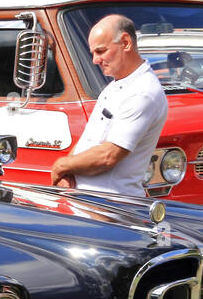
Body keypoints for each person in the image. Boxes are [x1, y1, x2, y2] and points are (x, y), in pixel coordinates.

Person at [49, 14, 168, 196]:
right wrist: (68, 171)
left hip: (111, 206)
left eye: (101, 51)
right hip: (91, 202)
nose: (95, 60)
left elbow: (108, 156)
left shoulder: (143, 92)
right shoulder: (116, 86)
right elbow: (89, 142)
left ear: (126, 42)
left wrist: (61, 166)